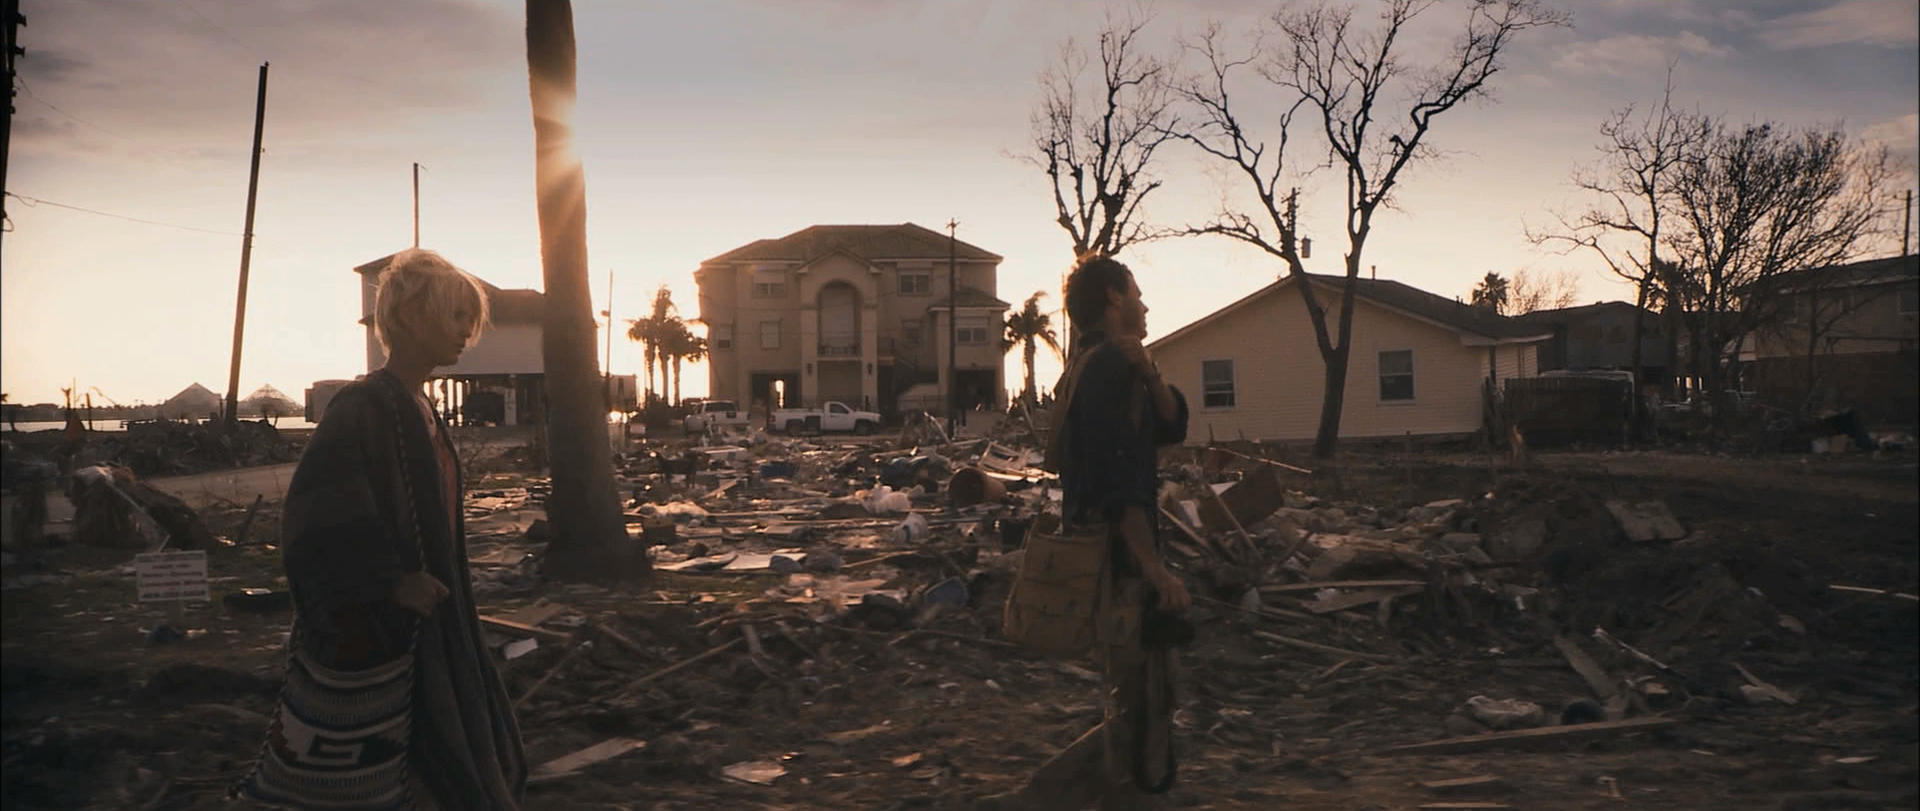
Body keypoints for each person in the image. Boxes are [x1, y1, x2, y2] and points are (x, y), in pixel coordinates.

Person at [239, 249, 526, 810]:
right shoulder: (364, 407)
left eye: (469, 319)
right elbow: (315, 511)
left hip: (435, 616)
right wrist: (390, 581)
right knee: (394, 759)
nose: (465, 332)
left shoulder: (420, 408)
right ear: (412, 316)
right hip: (387, 623)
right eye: (454, 316)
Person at [982, 255, 1192, 810]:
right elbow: (1119, 481)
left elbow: (1171, 425)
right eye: (1136, 294)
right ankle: (1036, 799)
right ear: (1114, 298)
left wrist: (1150, 372)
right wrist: (1154, 569)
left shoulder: (1099, 365)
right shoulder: (1107, 369)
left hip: (1112, 553)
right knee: (1145, 701)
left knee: (1146, 699)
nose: (1145, 305)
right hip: (1119, 561)